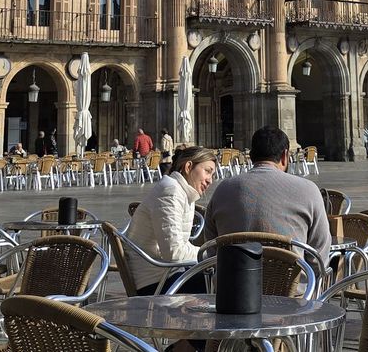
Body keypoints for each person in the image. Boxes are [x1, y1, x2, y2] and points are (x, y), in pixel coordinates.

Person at [207, 126, 331, 263]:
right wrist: (308, 282)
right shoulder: (309, 190)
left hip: (231, 283)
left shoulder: (222, 190)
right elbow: (319, 253)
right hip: (291, 283)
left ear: (252, 155)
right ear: (285, 156)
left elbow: (211, 249)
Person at [124, 145, 218, 294]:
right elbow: (173, 252)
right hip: (155, 283)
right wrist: (212, 253)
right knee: (228, 282)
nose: (210, 180)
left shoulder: (183, 191)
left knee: (225, 277)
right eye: (207, 171)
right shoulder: (171, 191)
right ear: (188, 167)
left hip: (166, 273)